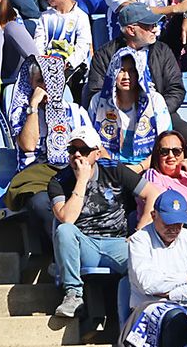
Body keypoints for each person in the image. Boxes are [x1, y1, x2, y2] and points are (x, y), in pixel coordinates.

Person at [49, 127, 145, 321]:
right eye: (72, 149)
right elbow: (67, 218)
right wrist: (82, 180)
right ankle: (73, 295)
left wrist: (140, 231)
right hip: (84, 244)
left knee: (141, 267)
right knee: (64, 230)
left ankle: (134, 312)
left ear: (97, 153)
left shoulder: (114, 169)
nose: (77, 154)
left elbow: (153, 194)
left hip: (117, 242)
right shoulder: (58, 180)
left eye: (83, 150)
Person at [81, 3, 187, 144]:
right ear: (131, 30)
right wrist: (125, 111)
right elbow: (95, 92)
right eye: (149, 26)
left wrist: (154, 112)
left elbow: (176, 89)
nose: (155, 30)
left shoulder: (163, 51)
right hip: (116, 114)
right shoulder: (104, 55)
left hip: (158, 111)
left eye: (156, 24)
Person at [126, 189, 187, 326]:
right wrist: (186, 278)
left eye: (178, 224)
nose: (173, 229)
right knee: (176, 320)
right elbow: (148, 285)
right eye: (168, 223)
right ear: (154, 216)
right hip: (149, 310)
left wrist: (172, 294)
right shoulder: (139, 240)